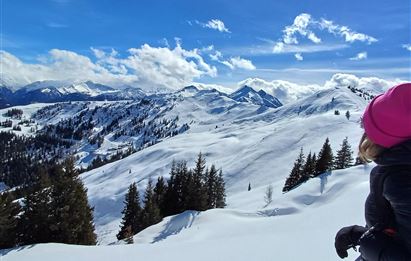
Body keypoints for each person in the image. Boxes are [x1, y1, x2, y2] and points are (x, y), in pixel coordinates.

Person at [334, 83, 411, 260]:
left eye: (366, 127)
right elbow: (398, 233)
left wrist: (370, 245)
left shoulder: (402, 181)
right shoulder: (396, 171)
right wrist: (362, 235)